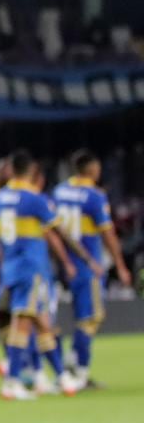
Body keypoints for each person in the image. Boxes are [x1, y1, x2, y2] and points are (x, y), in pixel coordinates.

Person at [0, 153, 76, 401]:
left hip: (10, 267)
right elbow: (58, 231)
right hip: (31, 267)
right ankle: (12, 381)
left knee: (41, 321)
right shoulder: (34, 199)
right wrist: (83, 258)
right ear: (32, 171)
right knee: (22, 322)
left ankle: (60, 377)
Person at [51, 150, 129, 393]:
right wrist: (120, 264)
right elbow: (107, 233)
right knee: (91, 316)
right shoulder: (95, 196)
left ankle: (73, 360)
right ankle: (79, 369)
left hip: (64, 263)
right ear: (92, 169)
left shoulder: (60, 191)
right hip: (87, 263)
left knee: (84, 315)